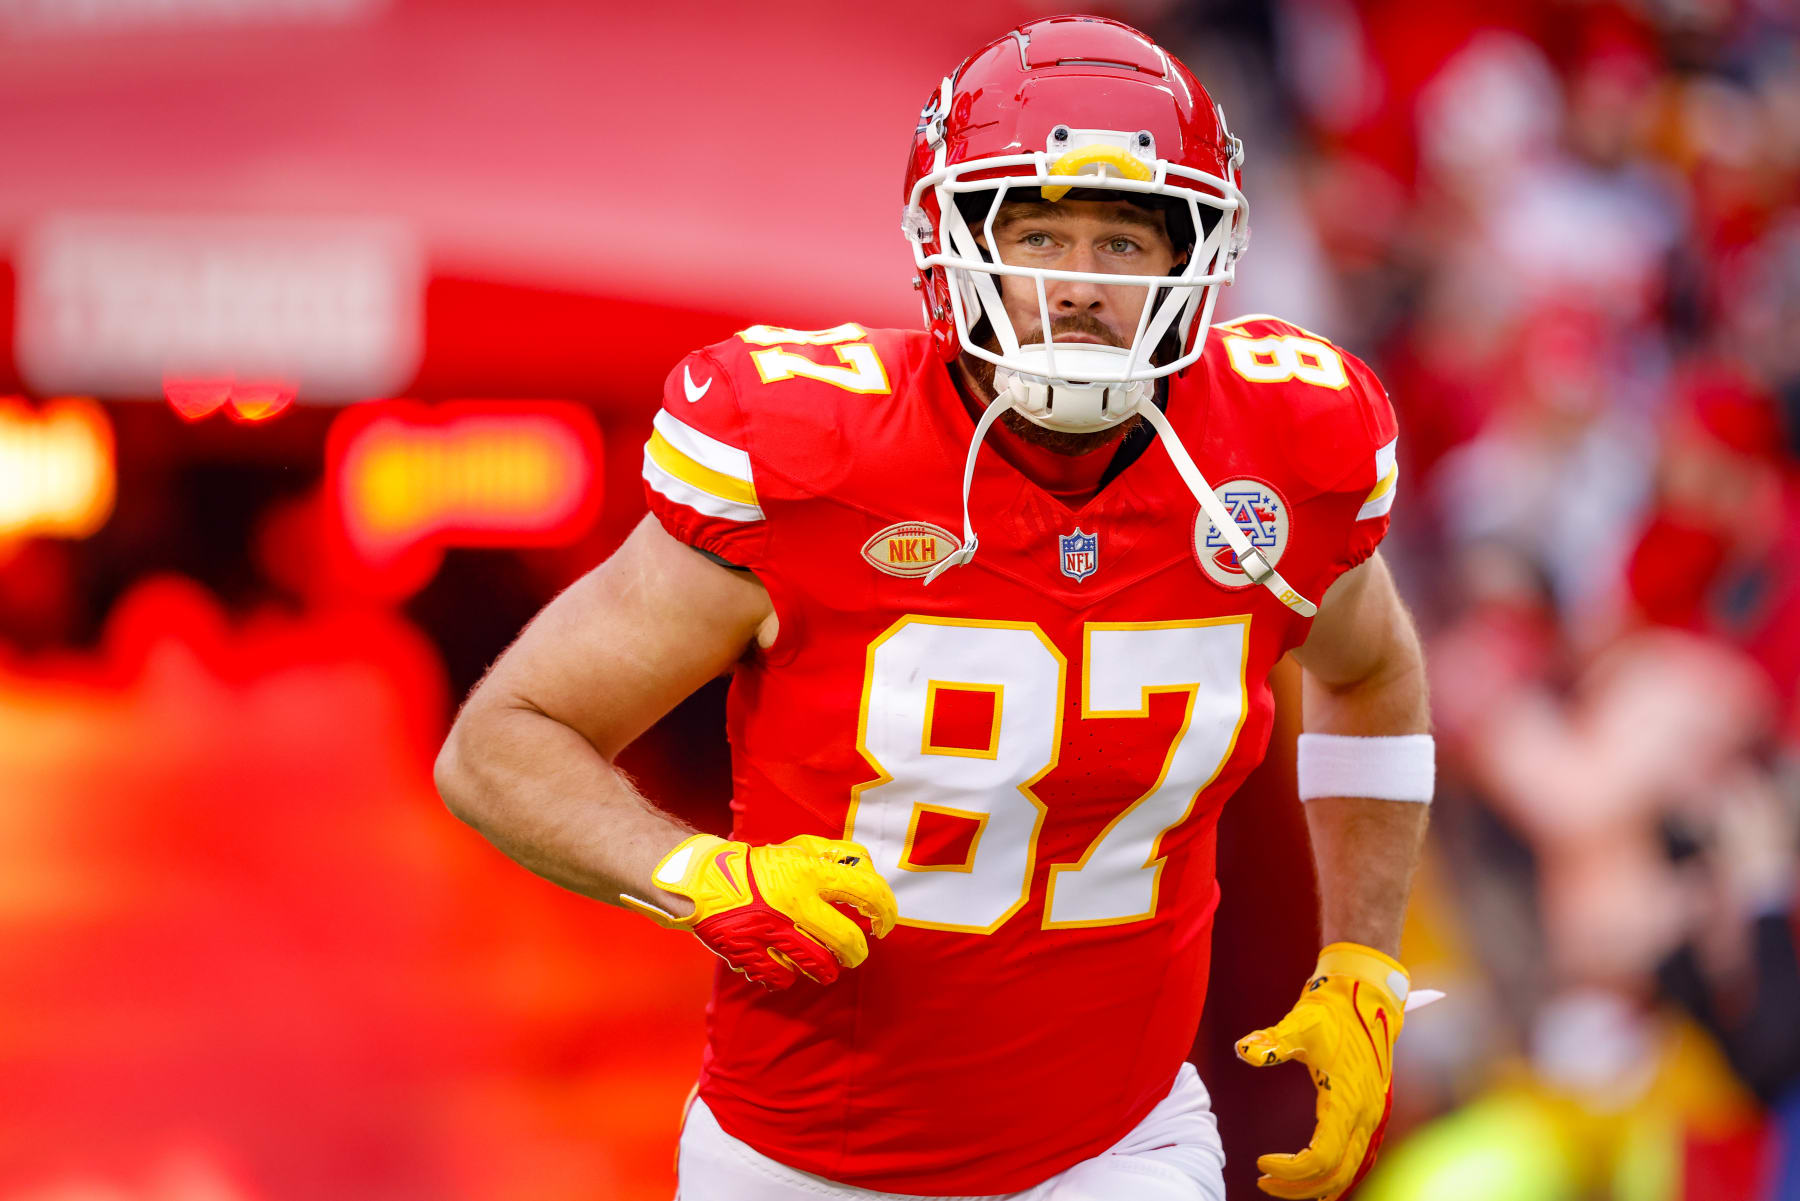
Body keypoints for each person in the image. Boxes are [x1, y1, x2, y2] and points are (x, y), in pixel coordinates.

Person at [435, 15, 1434, 1201]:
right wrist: (696, 873)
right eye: (1039, 232)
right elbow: (500, 741)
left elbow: (1371, 670)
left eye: (1124, 240)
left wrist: (1361, 954)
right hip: (802, 1160)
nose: (1079, 284)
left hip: (1118, 1143)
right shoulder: (813, 453)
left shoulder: (1280, 450)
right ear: (947, 239)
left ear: (1197, 259)